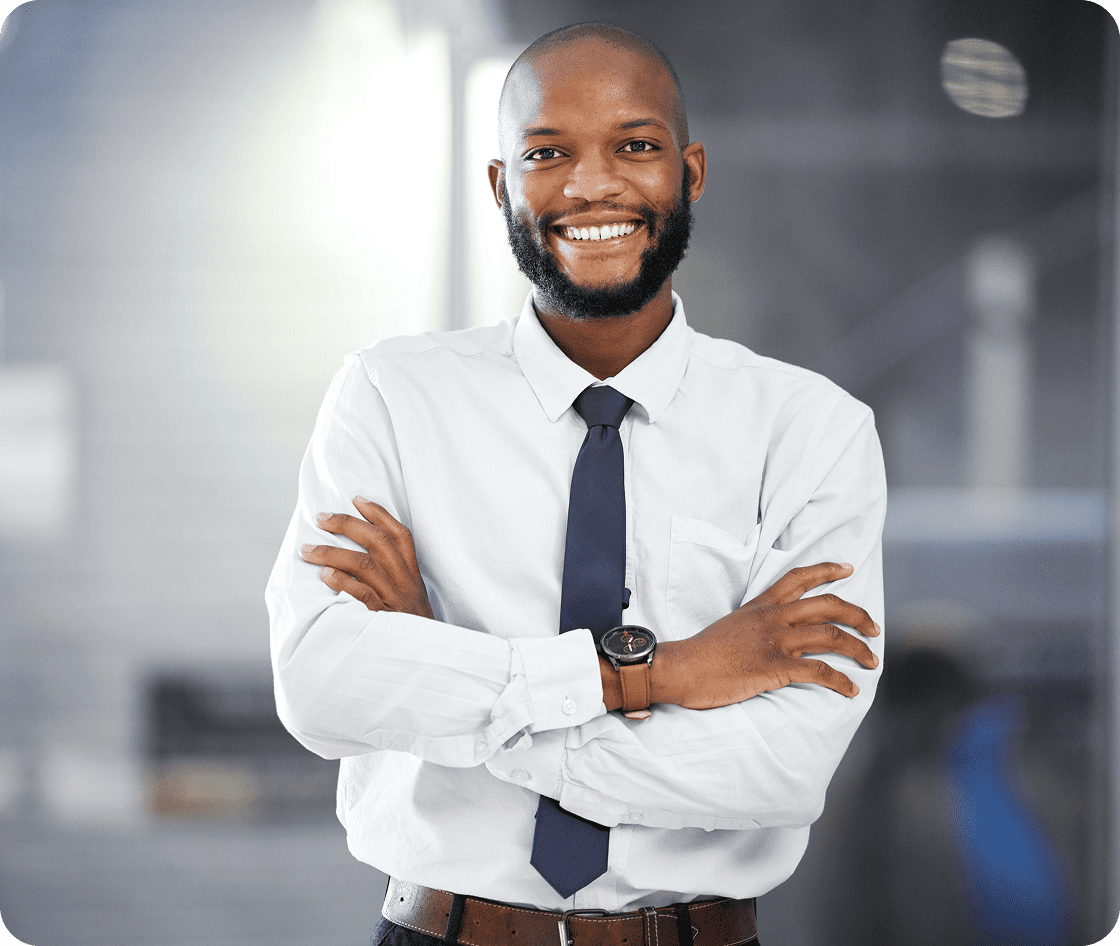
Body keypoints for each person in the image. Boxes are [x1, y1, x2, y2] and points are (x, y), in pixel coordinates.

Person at [266, 21, 886, 946]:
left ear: (692, 171)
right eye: (547, 152)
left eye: (636, 146)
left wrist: (444, 675)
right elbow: (323, 691)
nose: (593, 184)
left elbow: (779, 772)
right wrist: (663, 674)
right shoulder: (390, 395)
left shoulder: (811, 430)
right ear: (500, 184)